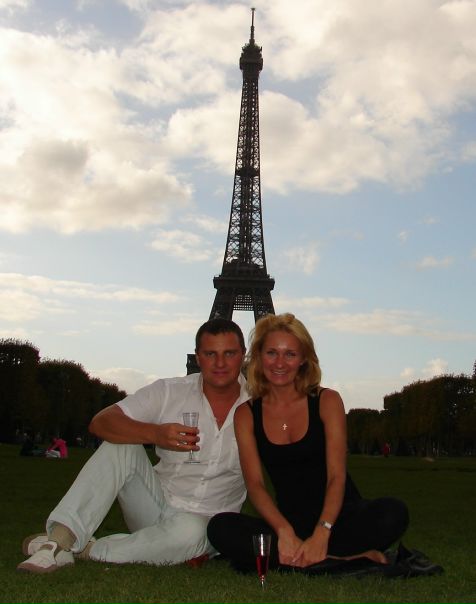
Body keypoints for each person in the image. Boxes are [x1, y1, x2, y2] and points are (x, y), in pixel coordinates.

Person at [17, 318, 248, 573]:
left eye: (229, 353)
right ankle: (60, 540)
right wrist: (155, 433)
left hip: (209, 524)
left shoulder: (260, 407)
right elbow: (101, 423)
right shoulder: (169, 391)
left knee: (191, 533)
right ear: (198, 357)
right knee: (121, 445)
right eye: (210, 353)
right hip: (154, 505)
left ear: (243, 355)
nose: (220, 363)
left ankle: (87, 549)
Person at [207, 313, 409, 573]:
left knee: (394, 512)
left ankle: (309, 557)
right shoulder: (246, 414)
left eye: (290, 354)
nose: (280, 363)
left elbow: (336, 476)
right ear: (258, 356)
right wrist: (284, 530)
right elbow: (255, 485)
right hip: (288, 523)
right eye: (272, 353)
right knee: (220, 527)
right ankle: (344, 559)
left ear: (303, 359)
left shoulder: (327, 401)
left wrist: (322, 531)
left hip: (339, 519)